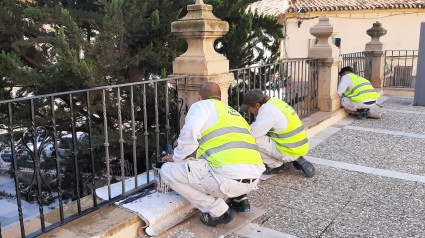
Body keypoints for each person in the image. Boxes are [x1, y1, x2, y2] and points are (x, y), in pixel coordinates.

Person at [160, 82, 265, 227]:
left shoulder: (201, 106)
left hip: (229, 181)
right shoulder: (233, 113)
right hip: (253, 179)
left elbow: (190, 133)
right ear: (219, 98)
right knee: (215, 166)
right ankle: (240, 200)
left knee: (166, 172)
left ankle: (219, 211)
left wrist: (175, 157)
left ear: (200, 98)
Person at [240, 89, 315, 177]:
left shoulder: (267, 111)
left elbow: (252, 133)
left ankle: (275, 165)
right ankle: (294, 158)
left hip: (289, 151)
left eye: (249, 108)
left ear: (257, 105)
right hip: (299, 148)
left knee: (252, 139)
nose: (248, 111)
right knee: (263, 134)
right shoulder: (275, 102)